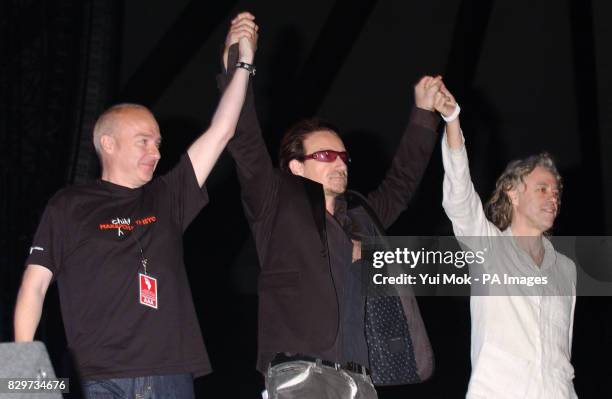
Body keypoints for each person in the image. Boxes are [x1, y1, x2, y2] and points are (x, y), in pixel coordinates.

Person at [13, 13, 258, 398]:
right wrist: (23, 385)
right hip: (96, 378)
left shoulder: (168, 196)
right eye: (144, 140)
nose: (156, 151)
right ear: (108, 143)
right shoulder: (69, 205)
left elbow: (221, 130)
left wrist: (242, 62)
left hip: (168, 374)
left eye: (158, 143)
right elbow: (34, 287)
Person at [219, 13, 440, 399]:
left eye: (342, 156)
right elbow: (243, 137)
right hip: (302, 375)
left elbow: (401, 185)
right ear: (295, 166)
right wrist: (238, 65)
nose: (339, 162)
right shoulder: (275, 203)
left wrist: (423, 114)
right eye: (324, 154)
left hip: (360, 380)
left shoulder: (359, 217)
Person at [436, 84, 577, 398]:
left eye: (556, 193)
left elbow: (562, 356)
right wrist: (452, 120)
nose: (553, 198)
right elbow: (460, 198)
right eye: (542, 188)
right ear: (513, 193)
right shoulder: (488, 249)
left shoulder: (565, 270)